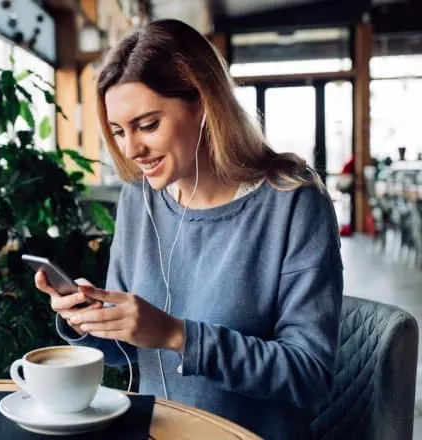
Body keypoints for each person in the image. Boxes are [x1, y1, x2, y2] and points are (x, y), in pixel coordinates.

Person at [34, 19, 343, 440]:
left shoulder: (292, 200)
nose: (130, 150)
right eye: (120, 131)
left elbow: (309, 376)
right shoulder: (138, 199)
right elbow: (127, 354)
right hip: (156, 432)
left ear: (202, 104)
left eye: (147, 125)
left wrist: (178, 334)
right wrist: (90, 320)